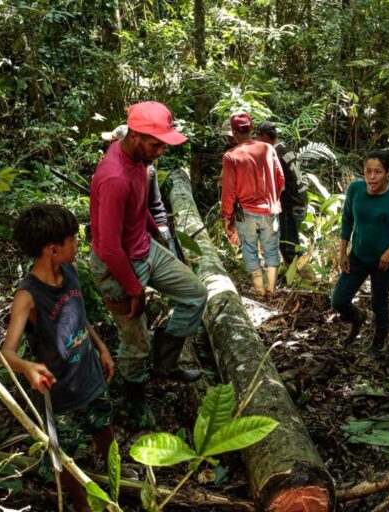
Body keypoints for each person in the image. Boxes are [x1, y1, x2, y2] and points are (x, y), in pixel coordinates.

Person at [89, 101, 208, 430]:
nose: (161, 151)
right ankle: (135, 397)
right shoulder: (113, 177)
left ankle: (164, 363)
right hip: (117, 266)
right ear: (136, 136)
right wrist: (135, 290)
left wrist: (157, 236)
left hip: (144, 248)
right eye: (157, 143)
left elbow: (139, 209)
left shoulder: (139, 160)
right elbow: (108, 247)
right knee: (134, 340)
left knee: (196, 294)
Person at [2, 204, 115, 512]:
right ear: (53, 249)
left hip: (90, 378)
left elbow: (80, 316)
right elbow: (7, 351)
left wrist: (101, 347)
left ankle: (116, 474)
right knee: (66, 458)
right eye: (72, 240)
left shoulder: (71, 272)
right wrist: (27, 367)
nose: (77, 245)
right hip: (60, 397)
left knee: (103, 428)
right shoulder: (28, 296)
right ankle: (82, 505)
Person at [331, 150, 389, 350]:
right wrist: (343, 252)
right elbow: (347, 219)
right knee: (338, 300)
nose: (372, 177)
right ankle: (358, 318)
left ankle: (379, 340)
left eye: (378, 172)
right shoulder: (355, 189)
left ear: (387, 172)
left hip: (384, 261)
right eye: (368, 171)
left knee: (379, 303)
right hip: (357, 257)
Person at [221, 112, 285, 297]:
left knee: (249, 249)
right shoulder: (268, 148)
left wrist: (227, 216)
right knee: (271, 248)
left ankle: (259, 291)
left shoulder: (230, 156)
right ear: (251, 128)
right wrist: (273, 198)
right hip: (270, 210)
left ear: (233, 131)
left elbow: (229, 191)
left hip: (246, 212)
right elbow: (280, 178)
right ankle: (270, 291)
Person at [102, 125, 179, 258]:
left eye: (113, 142)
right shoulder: (142, 167)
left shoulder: (142, 170)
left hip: (150, 232)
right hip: (157, 229)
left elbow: (139, 208)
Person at [256, 120, 308, 266]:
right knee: (291, 241)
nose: (258, 140)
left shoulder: (274, 152)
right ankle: (293, 273)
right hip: (300, 198)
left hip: (289, 203)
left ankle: (299, 274)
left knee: (287, 246)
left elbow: (279, 184)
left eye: (259, 136)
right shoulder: (285, 147)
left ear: (266, 136)